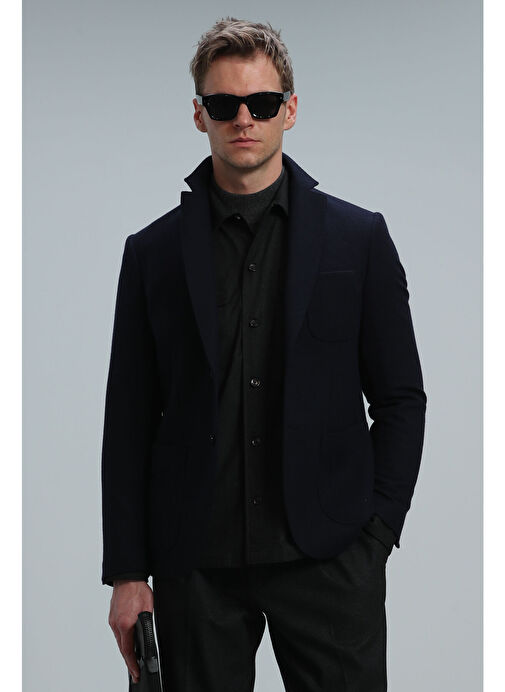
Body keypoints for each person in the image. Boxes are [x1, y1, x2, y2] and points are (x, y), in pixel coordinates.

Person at [102, 16, 427, 691]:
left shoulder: (357, 240)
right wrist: (128, 573)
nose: (243, 119)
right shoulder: (152, 254)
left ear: (290, 109)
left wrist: (376, 533)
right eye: (224, 104)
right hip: (195, 565)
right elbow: (128, 419)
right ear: (199, 114)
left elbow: (400, 398)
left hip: (329, 557)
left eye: (262, 102)